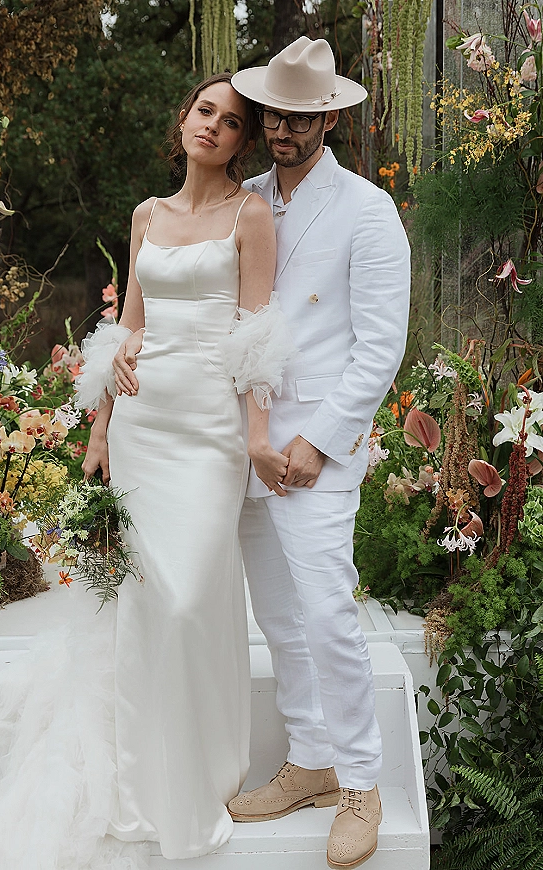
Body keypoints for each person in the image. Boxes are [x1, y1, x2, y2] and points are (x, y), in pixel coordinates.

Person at [0, 74, 295, 868]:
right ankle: (143, 769)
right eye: (204, 111)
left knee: (190, 598)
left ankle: (206, 763)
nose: (213, 127)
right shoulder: (148, 214)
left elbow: (257, 333)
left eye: (231, 121)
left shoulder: (250, 216)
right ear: (182, 119)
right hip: (144, 427)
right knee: (147, 600)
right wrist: (101, 428)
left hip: (211, 432)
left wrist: (255, 437)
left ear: (244, 142)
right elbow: (127, 328)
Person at [114, 35, 411, 870]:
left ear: (330, 118)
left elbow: (381, 343)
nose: (285, 127)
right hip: (230, 441)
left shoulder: (367, 211)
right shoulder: (242, 198)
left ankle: (360, 782)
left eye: (303, 115)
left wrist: (319, 440)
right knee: (277, 615)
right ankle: (312, 757)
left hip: (312, 444)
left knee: (325, 611)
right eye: (275, 113)